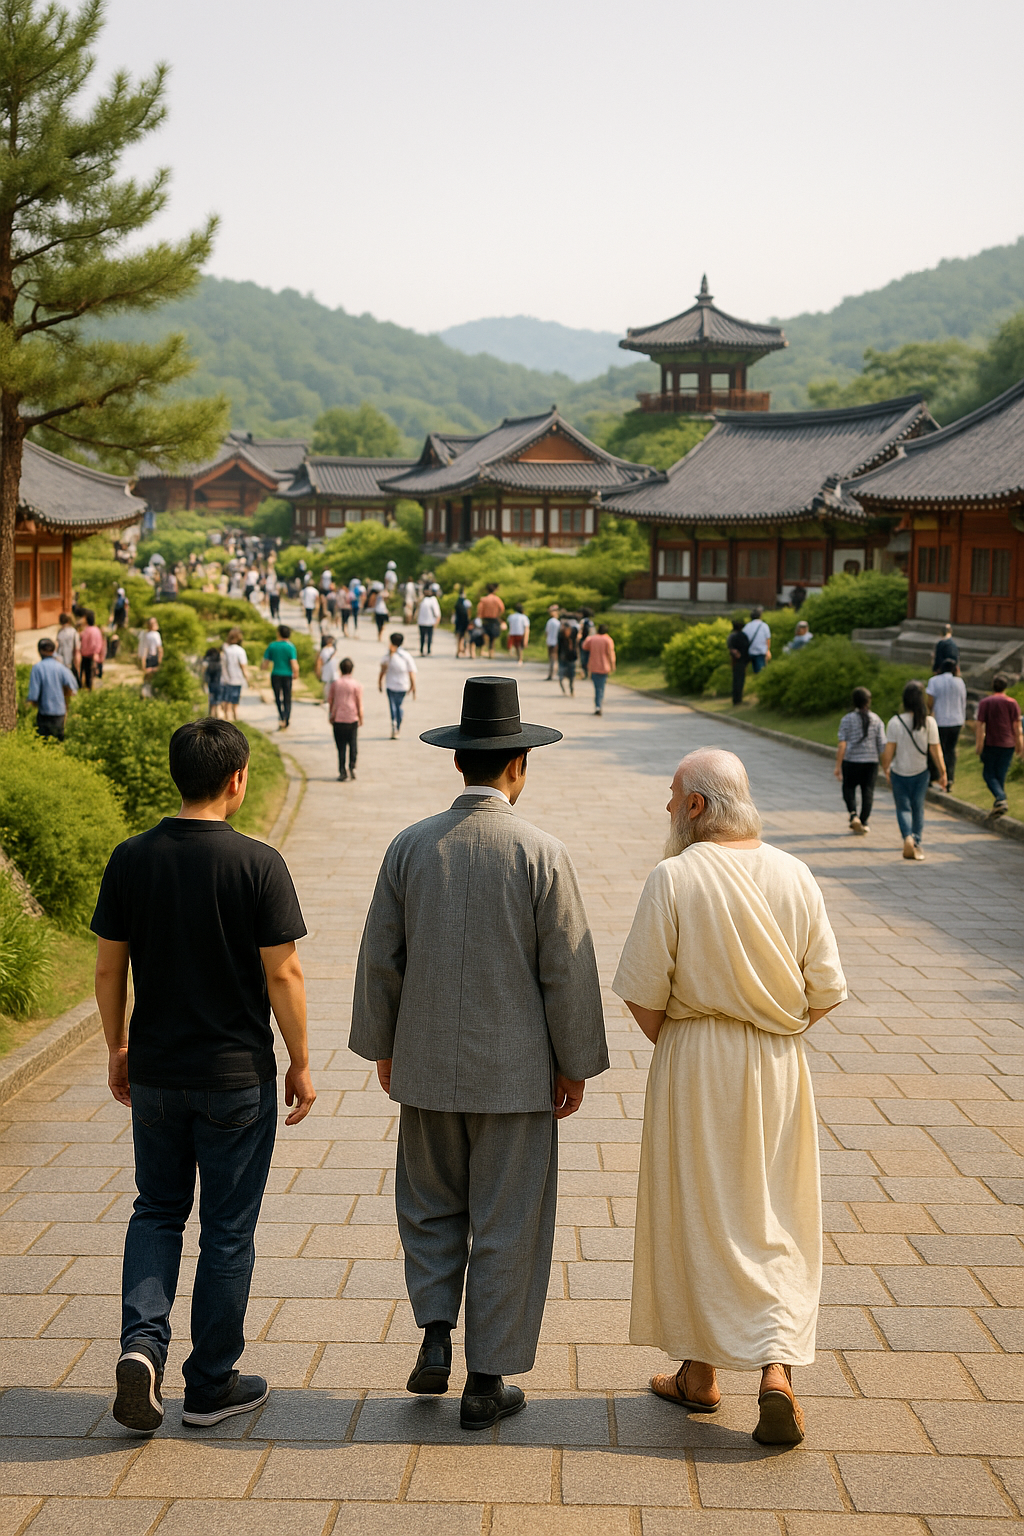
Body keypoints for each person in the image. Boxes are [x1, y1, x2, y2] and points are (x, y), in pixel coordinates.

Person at [350, 676, 607, 1431]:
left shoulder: (410, 847)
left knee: (429, 1203)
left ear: (458, 761)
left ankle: (436, 1333)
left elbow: (380, 958)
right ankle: (485, 1380)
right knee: (508, 1219)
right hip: (517, 1077)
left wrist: (383, 1046)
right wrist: (574, 1062)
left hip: (426, 1066)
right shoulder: (542, 853)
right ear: (519, 765)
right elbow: (566, 967)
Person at [612, 748, 846, 1447]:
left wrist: (690, 1040)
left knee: (698, 1210)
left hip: (694, 1059)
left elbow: (642, 992)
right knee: (775, 1211)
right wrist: (771, 1028)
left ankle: (701, 1372)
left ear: (695, 806)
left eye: (671, 794)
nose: (666, 807)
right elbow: (826, 989)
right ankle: (776, 1371)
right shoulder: (795, 873)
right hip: (778, 1063)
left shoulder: (675, 876)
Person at [92, 718, 315, 1435]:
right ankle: (211, 1383)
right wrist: (300, 1060)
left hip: (157, 1073)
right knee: (226, 1230)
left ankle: (141, 1348)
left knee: (157, 1210)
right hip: (235, 1079)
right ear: (237, 779)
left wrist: (118, 1047)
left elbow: (109, 968)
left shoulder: (131, 858)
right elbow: (283, 974)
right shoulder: (258, 864)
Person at [881, 680, 947, 860]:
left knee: (903, 808)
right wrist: (943, 773)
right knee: (918, 808)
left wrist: (886, 768)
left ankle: (907, 837)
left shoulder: (895, 722)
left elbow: (889, 751)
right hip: (921, 773)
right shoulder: (929, 722)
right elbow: (936, 751)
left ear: (905, 700)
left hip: (899, 773)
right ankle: (916, 841)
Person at [834, 687, 885, 834]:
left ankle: (853, 814)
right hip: (871, 762)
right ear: (869, 701)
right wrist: (884, 765)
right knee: (868, 791)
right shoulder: (876, 719)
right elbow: (882, 744)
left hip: (851, 761)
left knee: (848, 788)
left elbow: (842, 744)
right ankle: (864, 821)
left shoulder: (847, 719)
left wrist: (838, 766)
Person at [975, 675, 1023, 818]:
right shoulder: (1012, 703)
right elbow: (1017, 727)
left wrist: (979, 745)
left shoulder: (985, 702)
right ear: (1006, 687)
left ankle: (1001, 798)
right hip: (1008, 743)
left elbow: (980, 725)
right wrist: (1020, 745)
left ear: (992, 686)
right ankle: (1000, 803)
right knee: (1000, 774)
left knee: (988, 774)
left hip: (991, 743)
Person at [925, 659, 967, 790]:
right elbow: (963, 701)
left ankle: (935, 776)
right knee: (950, 750)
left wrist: (930, 711)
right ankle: (949, 778)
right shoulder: (960, 682)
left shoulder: (934, 681)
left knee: (936, 748)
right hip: (956, 720)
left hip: (940, 720)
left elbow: (930, 700)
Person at [27, 637, 78, 739]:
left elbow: (34, 695)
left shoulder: (37, 668)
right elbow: (73, 687)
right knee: (58, 739)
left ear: (40, 651)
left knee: (44, 740)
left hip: (44, 712)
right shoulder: (61, 667)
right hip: (60, 712)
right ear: (53, 651)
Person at [327, 658, 363, 781]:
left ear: (340, 669)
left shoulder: (335, 684)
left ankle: (342, 771)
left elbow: (330, 700)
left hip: (338, 718)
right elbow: (359, 703)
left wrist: (331, 714)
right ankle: (352, 766)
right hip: (352, 718)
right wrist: (361, 717)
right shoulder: (356, 684)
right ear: (352, 670)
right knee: (353, 744)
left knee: (341, 747)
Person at [380, 631, 417, 739]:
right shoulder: (405, 656)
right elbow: (411, 672)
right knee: (397, 706)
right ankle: (396, 725)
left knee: (394, 706)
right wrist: (413, 686)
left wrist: (379, 682)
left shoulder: (390, 655)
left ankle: (395, 723)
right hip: (400, 686)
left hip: (393, 686)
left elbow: (382, 670)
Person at [262, 625, 299, 732]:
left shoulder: (272, 645)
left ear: (278, 633)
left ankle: (281, 716)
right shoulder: (290, 647)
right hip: (287, 675)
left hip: (276, 674)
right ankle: (286, 718)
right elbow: (294, 663)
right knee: (287, 697)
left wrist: (262, 669)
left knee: (277, 697)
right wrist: (296, 673)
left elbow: (265, 663)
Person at [582, 624, 616, 715]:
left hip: (593, 666)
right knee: (601, 687)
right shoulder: (608, 640)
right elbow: (611, 653)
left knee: (597, 687)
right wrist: (613, 665)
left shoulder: (592, 639)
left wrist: (589, 636)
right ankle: (599, 704)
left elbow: (584, 646)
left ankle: (598, 704)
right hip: (604, 667)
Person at [220, 629, 249, 724]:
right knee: (235, 699)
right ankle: (235, 716)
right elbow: (243, 666)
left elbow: (223, 665)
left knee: (227, 699)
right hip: (238, 679)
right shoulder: (240, 651)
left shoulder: (226, 650)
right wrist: (247, 678)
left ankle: (227, 717)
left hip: (227, 679)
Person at [477, 583, 505, 659]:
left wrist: (480, 617)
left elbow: (479, 610)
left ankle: (482, 650)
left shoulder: (483, 599)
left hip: (485, 619)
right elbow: (502, 608)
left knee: (485, 634)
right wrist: (498, 615)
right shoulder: (497, 599)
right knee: (493, 637)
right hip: (494, 619)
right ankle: (491, 653)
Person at [79, 609, 105, 689]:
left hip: (91, 656)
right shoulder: (90, 630)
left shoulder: (92, 630)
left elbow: (95, 644)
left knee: (89, 676)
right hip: (86, 655)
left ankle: (89, 690)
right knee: (86, 675)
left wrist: (95, 653)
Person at [727, 618, 750, 706]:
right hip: (742, 660)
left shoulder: (731, 636)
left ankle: (735, 699)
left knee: (735, 680)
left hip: (735, 661)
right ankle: (738, 699)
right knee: (740, 680)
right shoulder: (743, 636)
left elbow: (730, 648)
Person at [742, 606, 771, 674]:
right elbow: (768, 640)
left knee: (748, 672)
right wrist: (768, 650)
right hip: (760, 652)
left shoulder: (747, 626)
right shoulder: (764, 626)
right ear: (760, 616)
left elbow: (743, 640)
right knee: (760, 673)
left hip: (749, 652)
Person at [55, 612, 80, 681]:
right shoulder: (74, 632)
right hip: (70, 661)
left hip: (60, 661)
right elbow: (77, 649)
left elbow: (56, 646)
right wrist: (77, 663)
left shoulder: (60, 632)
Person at [417, 588, 441, 655]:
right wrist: (437, 620)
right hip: (430, 622)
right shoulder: (433, 600)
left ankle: (422, 650)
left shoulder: (422, 601)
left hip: (421, 622)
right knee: (429, 636)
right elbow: (436, 612)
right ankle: (428, 650)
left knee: (422, 637)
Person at [557, 618, 578, 696]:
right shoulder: (561, 636)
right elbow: (559, 648)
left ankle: (571, 689)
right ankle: (564, 690)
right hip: (563, 658)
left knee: (571, 676)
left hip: (571, 658)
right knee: (561, 676)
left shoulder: (573, 635)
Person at [316, 633, 339, 701]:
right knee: (332, 687)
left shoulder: (324, 651)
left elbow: (319, 663)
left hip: (327, 673)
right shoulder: (333, 650)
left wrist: (318, 672)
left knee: (327, 688)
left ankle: (327, 699)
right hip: (333, 673)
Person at [202, 645, 223, 718]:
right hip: (219, 685)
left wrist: (203, 683)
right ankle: (218, 719)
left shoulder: (207, 663)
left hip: (210, 685)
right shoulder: (219, 663)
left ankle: (212, 718)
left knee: (212, 704)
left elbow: (203, 674)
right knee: (218, 704)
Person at [453, 585, 472, 657]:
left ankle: (458, 651)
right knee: (466, 637)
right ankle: (465, 651)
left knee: (459, 637)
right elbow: (469, 612)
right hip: (465, 621)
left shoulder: (457, 602)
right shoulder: (467, 602)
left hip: (458, 621)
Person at [544, 605, 560, 681]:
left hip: (549, 642)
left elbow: (546, 632)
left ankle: (550, 674)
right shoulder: (558, 623)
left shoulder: (549, 621)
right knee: (554, 659)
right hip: (555, 642)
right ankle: (553, 674)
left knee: (551, 658)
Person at [578, 609, 595, 678]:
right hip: (590, 641)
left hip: (583, 641)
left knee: (583, 657)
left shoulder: (582, 621)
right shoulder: (591, 622)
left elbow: (579, 631)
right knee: (589, 657)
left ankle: (585, 673)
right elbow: (593, 632)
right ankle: (589, 672)